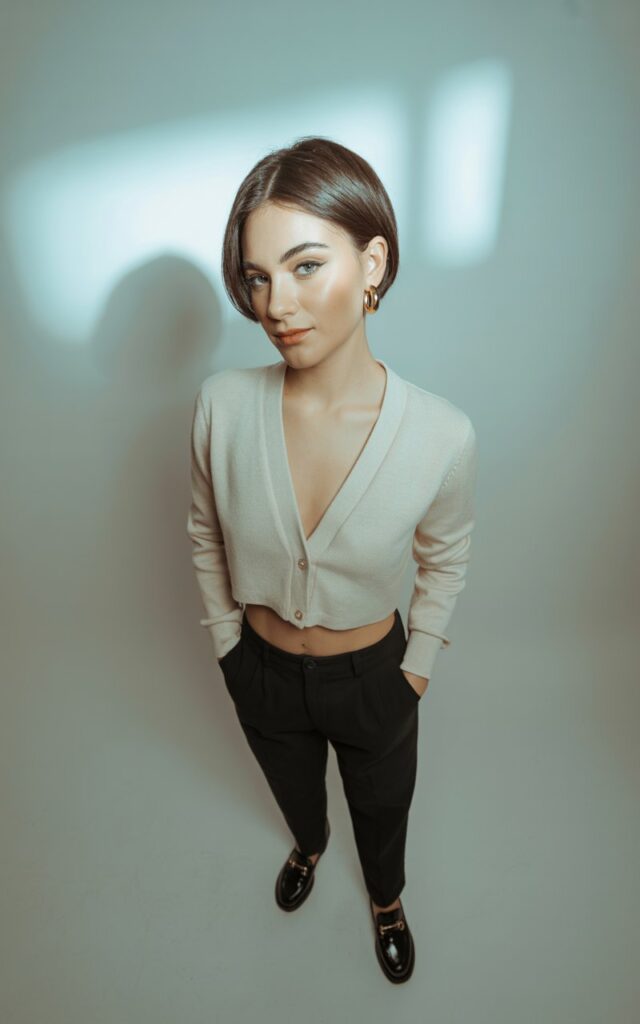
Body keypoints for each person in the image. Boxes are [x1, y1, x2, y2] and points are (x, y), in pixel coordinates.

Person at [187, 136, 478, 984]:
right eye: (257, 277)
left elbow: (447, 556)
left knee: (383, 807)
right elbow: (204, 530)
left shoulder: (441, 435)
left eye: (306, 265)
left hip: (373, 678)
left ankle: (385, 899)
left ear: (373, 262)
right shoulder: (220, 406)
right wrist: (227, 646)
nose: (277, 303)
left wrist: (415, 669)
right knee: (296, 795)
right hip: (261, 669)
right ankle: (309, 849)